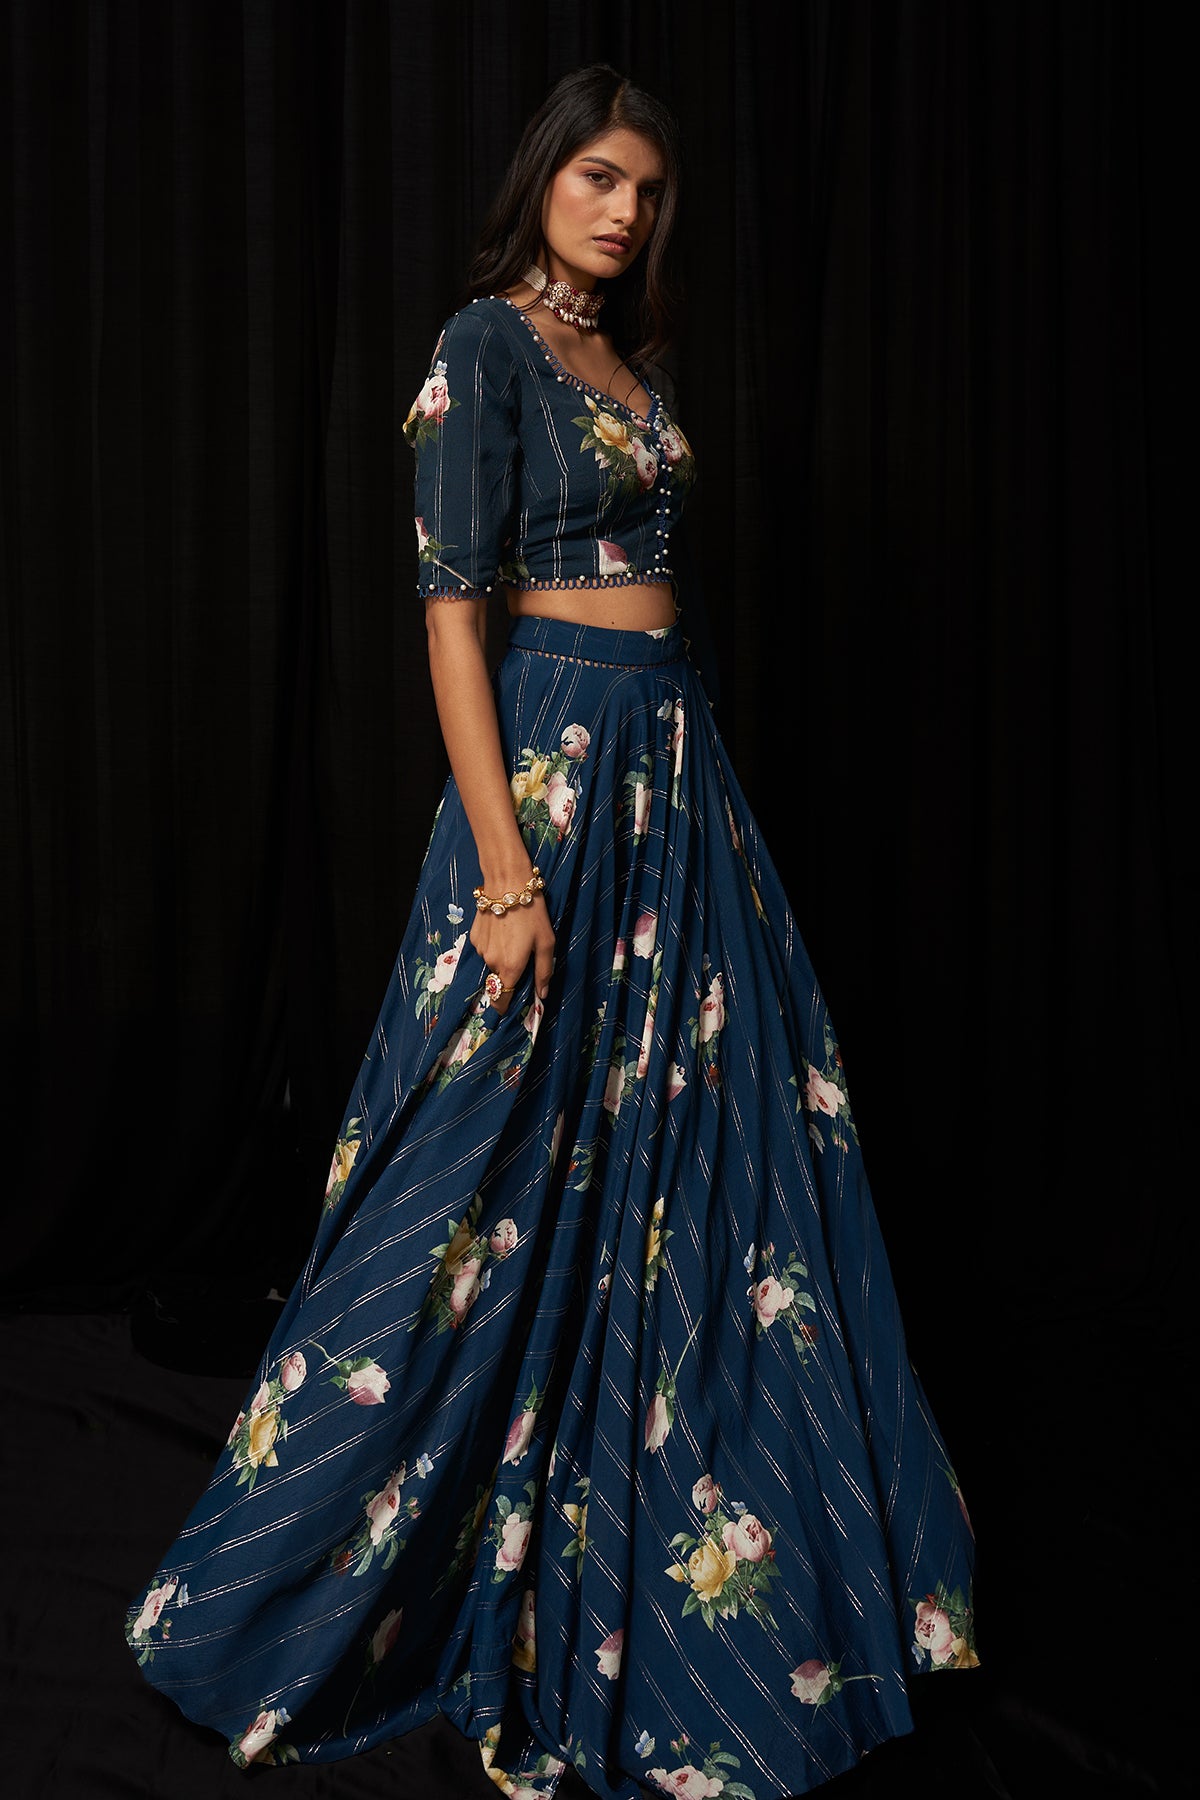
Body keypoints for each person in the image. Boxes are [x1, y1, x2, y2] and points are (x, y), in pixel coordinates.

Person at [126, 63, 978, 1800]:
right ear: (542, 180)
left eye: (647, 189)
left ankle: (697, 1556)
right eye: (598, 176)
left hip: (675, 774)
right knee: (479, 1160)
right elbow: (456, 626)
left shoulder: (633, 367)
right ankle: (289, 1591)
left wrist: (702, 805)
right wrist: (508, 878)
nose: (624, 209)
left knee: (707, 1152)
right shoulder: (486, 349)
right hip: (557, 776)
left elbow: (675, 603)